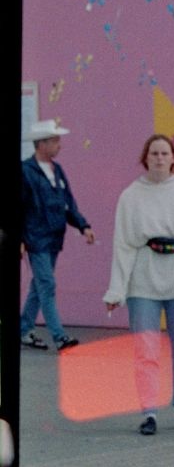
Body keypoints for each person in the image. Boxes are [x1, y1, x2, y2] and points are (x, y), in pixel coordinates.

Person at [104, 135, 174, 435]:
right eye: (154, 153)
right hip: (143, 282)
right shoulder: (131, 196)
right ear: (145, 157)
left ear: (173, 158)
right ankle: (149, 411)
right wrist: (117, 290)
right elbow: (123, 245)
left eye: (165, 153)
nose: (160, 158)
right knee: (145, 351)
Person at [20, 118, 95, 351]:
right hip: (35, 238)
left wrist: (83, 225)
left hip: (53, 238)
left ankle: (23, 329)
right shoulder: (25, 171)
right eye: (55, 140)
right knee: (47, 284)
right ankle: (59, 336)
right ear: (41, 144)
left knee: (39, 285)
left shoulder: (57, 170)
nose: (59, 145)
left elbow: (67, 203)